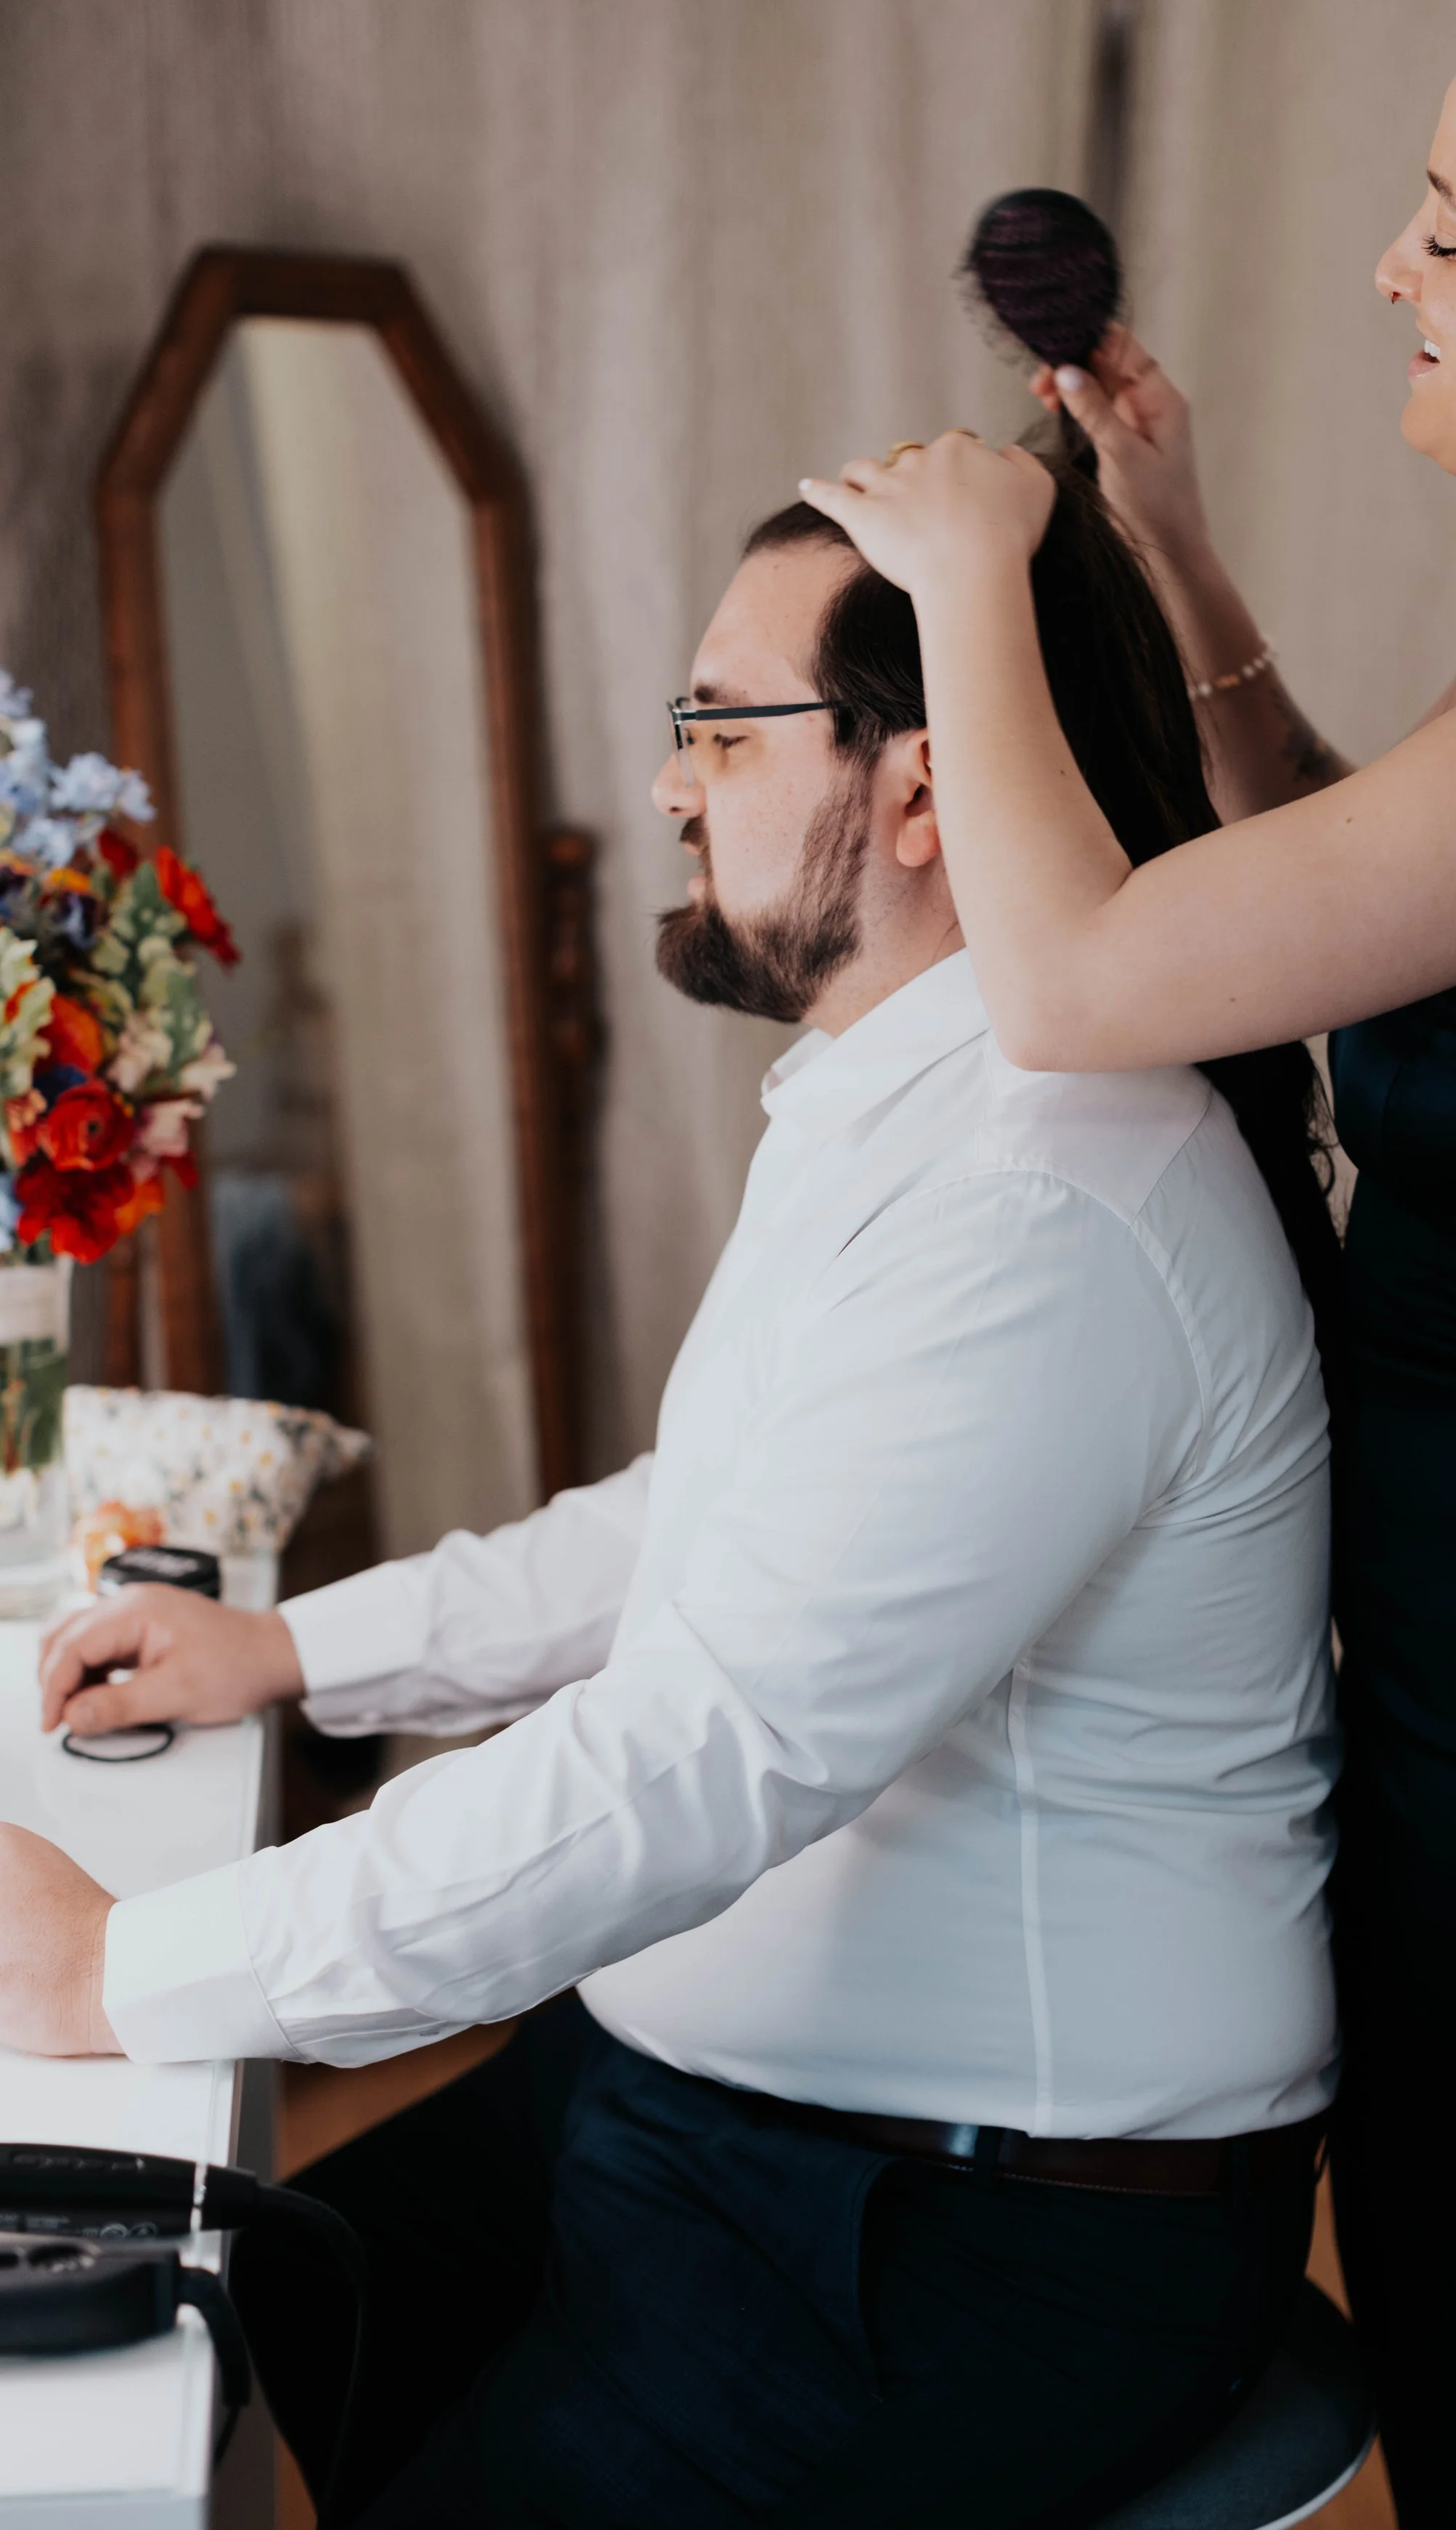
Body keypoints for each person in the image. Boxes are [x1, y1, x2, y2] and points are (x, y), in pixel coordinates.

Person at [6, 466, 1339, 2530]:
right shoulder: (908, 1096)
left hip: (963, 2227)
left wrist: (124, 1966)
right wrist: (296, 1643)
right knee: (253, 2310)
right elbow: (700, 1517)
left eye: (722, 725)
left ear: (919, 785)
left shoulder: (1045, 1198)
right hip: (717, 2104)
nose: (665, 785)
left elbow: (706, 1754)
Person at [797, 0, 1456, 2530]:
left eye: (1454, 230)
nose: (1391, 262)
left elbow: (1094, 973)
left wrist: (970, 585)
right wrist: (1171, 536)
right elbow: (1351, 890)